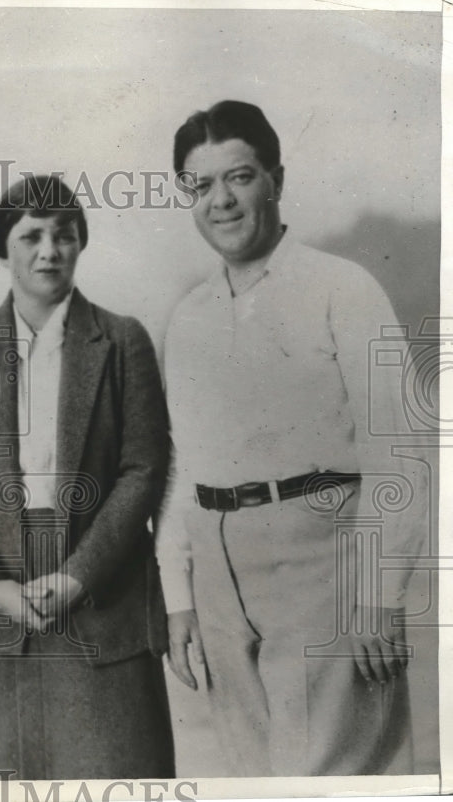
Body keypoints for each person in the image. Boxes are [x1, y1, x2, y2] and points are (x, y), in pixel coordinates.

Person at [158, 99, 427, 776]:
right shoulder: (188, 317)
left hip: (323, 569)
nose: (221, 201)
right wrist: (180, 599)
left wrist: (378, 596)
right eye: (200, 185)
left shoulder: (343, 289)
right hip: (221, 588)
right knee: (251, 781)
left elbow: (399, 452)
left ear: (276, 178)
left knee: (330, 779)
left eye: (239, 177)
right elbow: (181, 468)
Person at [0, 174, 174, 780]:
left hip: (101, 601)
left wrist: (77, 577)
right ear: (3, 248)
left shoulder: (122, 341)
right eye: (31, 236)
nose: (49, 251)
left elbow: (143, 468)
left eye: (64, 236)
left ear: (80, 244)